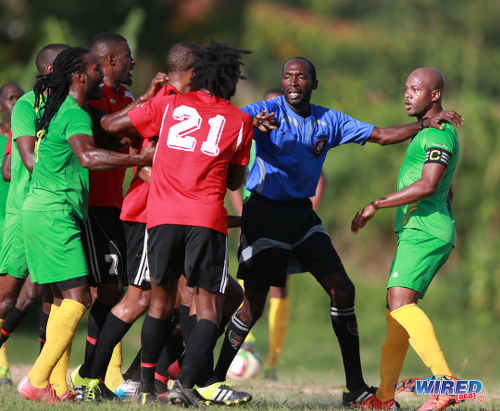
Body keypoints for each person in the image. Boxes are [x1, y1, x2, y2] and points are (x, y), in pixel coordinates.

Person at [213, 57, 463, 407]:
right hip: (264, 212)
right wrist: (250, 123)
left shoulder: (328, 120)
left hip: (300, 215)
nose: (293, 82)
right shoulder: (264, 111)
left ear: (313, 84)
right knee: (252, 304)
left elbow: (379, 135)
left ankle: (356, 389)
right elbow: (230, 126)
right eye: (288, 76)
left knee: (343, 290)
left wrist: (424, 125)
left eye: (301, 77)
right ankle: (212, 381)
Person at [101, 41, 254, 407]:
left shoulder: (168, 105)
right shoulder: (239, 120)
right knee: (209, 306)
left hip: (163, 218)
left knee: (158, 303)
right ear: (228, 79)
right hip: (205, 220)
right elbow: (234, 181)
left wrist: (146, 99)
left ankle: (148, 387)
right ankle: (186, 384)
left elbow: (111, 125)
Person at [16, 46, 152, 403]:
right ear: (79, 76)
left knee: (64, 299)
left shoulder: (60, 110)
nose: (100, 75)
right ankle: (36, 380)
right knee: (78, 299)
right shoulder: (75, 113)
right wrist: (140, 157)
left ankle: (58, 387)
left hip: (44, 211)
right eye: (95, 70)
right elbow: (88, 156)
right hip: (54, 213)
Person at [351, 68, 460, 411]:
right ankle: (384, 398)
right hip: (422, 229)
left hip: (425, 231)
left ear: (435, 95)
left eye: (416, 89)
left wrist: (376, 203)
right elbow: (446, 188)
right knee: (395, 311)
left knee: (401, 305)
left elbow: (429, 185)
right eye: (406, 89)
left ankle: (447, 384)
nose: (407, 94)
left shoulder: (438, 134)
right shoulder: (425, 132)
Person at [72, 32, 137, 396]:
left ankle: (92, 378)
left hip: (117, 203)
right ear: (110, 61)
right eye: (127, 56)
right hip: (94, 204)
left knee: (109, 292)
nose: (133, 63)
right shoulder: (91, 98)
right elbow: (103, 138)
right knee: (102, 292)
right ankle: (83, 377)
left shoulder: (125, 97)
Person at [0, 82, 23, 385]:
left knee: (23, 295)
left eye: (20, 97)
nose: (16, 103)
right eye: (10, 98)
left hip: (21, 222)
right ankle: (3, 367)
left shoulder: (30, 134)